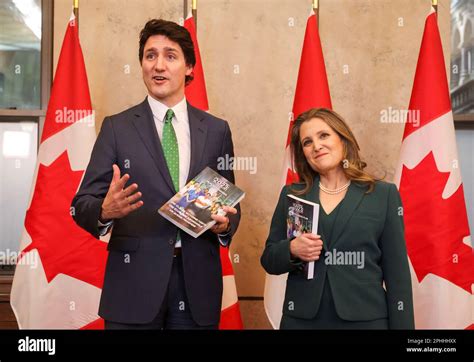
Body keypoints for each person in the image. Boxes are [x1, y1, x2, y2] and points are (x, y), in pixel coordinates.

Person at [71, 19, 240, 330]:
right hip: (132, 283)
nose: (158, 65)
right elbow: (81, 204)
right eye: (150, 56)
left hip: (197, 283)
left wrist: (226, 224)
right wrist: (105, 211)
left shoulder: (217, 130)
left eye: (170, 56)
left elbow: (229, 200)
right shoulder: (116, 128)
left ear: (190, 67)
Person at [261, 108, 414, 329]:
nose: (316, 146)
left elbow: (398, 276)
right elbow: (269, 259)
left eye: (324, 135)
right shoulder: (292, 194)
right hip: (301, 321)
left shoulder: (383, 195)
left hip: (365, 321)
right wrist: (292, 250)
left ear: (343, 139)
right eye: (307, 142)